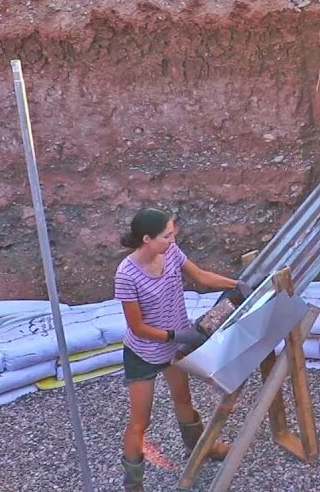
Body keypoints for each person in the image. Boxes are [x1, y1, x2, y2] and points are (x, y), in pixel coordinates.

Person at [116, 208, 251, 492]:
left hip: (173, 346)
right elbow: (137, 326)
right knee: (141, 422)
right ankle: (132, 485)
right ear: (146, 239)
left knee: (184, 401)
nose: (172, 240)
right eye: (166, 236)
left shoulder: (171, 254)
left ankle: (201, 450)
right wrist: (176, 334)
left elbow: (200, 276)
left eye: (173, 234)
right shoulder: (127, 275)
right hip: (144, 353)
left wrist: (236, 284)